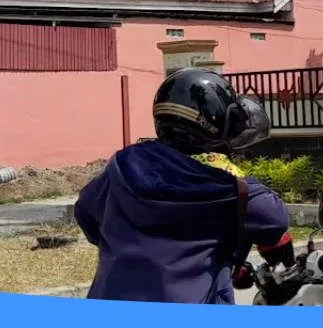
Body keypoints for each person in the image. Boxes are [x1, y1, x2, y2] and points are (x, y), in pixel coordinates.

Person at [73, 68, 295, 304]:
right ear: (217, 121)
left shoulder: (123, 164)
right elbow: (275, 219)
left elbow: (86, 211)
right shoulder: (228, 186)